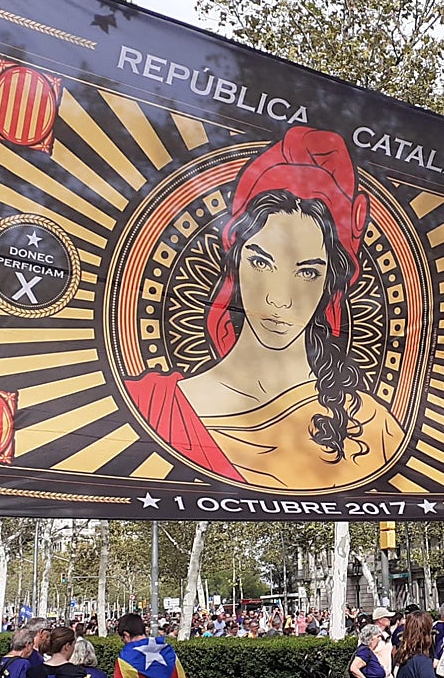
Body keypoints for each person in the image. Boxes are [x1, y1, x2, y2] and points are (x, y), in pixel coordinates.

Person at [126, 127, 404, 489]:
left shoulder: (374, 429)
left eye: (307, 272)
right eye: (261, 263)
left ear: (329, 283)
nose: (280, 299)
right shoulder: (154, 406)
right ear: (235, 260)